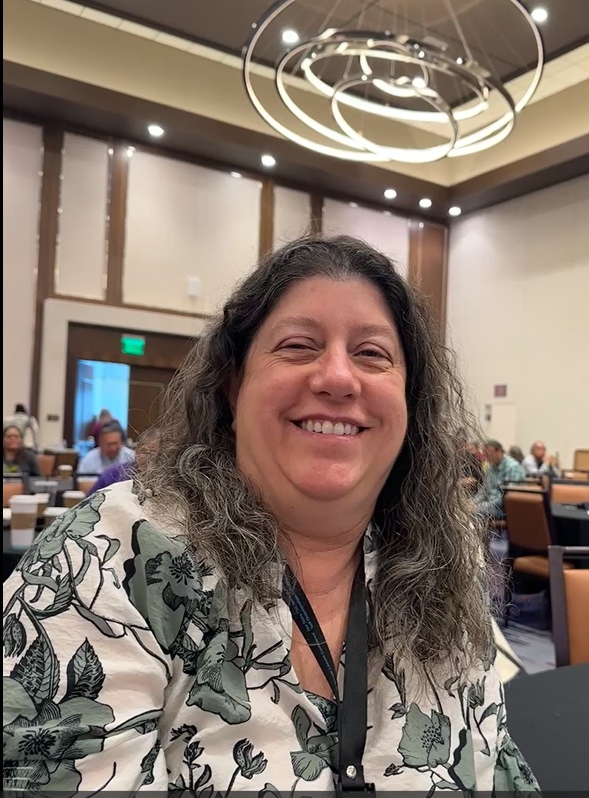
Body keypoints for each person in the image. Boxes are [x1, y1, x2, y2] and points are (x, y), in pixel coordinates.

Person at [3, 236, 538, 793]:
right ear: (233, 385)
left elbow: (493, 760)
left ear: (411, 403)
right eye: (299, 345)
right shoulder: (106, 560)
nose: (337, 376)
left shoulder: (445, 565)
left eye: (372, 353)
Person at [475, 439, 526, 518]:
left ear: (499, 452)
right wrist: (473, 502)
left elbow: (508, 497)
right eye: (486, 455)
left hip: (504, 509)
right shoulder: (491, 468)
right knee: (465, 510)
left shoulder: (512, 467)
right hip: (490, 505)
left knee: (475, 514)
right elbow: (484, 490)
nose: (487, 458)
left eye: (489, 455)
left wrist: (480, 506)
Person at [2, 424, 41, 491]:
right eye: (9, 437)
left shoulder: (29, 456)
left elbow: (37, 480)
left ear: (21, 440)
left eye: (16, 437)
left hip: (24, 494)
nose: (13, 439)